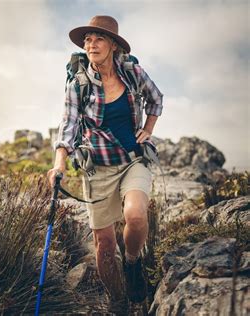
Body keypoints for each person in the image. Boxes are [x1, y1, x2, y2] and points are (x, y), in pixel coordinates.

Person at [47, 15, 163, 313]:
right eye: (87, 39)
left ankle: (134, 262)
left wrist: (148, 129)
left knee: (136, 216)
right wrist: (59, 163)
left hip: (132, 160)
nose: (91, 44)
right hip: (97, 167)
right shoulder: (79, 84)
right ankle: (118, 301)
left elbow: (156, 99)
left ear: (113, 44)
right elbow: (69, 126)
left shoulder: (132, 72)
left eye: (98, 38)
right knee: (105, 245)